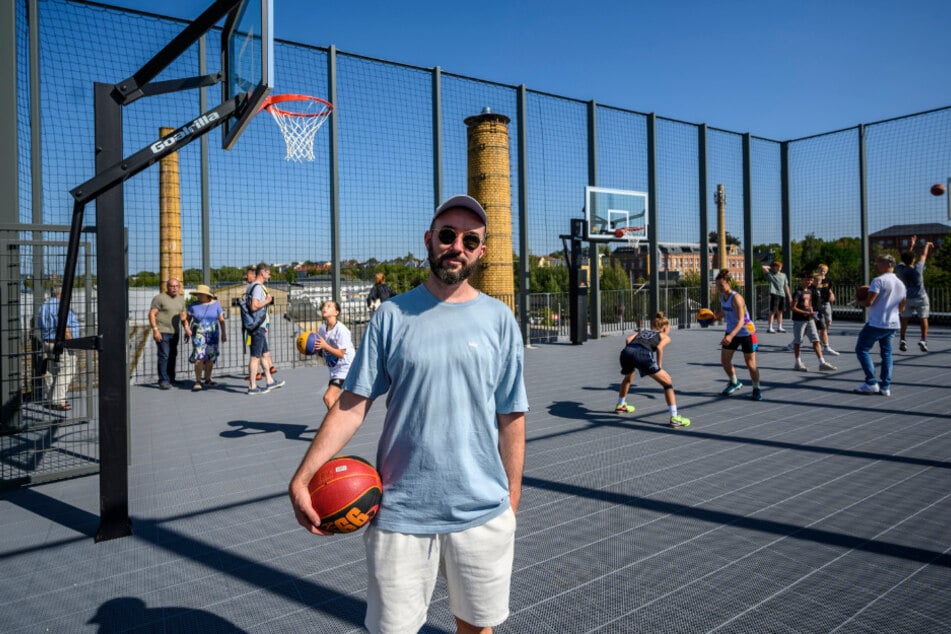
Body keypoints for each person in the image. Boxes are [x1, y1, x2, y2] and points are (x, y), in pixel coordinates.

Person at [289, 194, 528, 634]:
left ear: (481, 252)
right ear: (429, 240)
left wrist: (511, 499)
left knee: (477, 629)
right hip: (401, 513)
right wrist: (303, 477)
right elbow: (350, 405)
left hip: (481, 511)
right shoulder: (392, 316)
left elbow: (511, 415)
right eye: (447, 235)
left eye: (470, 240)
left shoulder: (499, 320)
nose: (457, 246)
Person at [615, 311, 691, 428]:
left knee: (628, 377)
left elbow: (628, 340)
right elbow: (660, 348)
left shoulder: (644, 331)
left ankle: (621, 405)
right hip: (642, 354)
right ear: (665, 327)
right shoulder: (664, 336)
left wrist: (632, 357)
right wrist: (659, 366)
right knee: (667, 382)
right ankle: (675, 418)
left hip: (627, 352)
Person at [854, 254, 906, 396]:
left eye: (878, 263)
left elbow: (869, 302)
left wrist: (859, 302)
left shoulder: (878, 281)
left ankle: (871, 383)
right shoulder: (900, 284)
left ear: (888, 264)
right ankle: (885, 387)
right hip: (894, 323)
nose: (875, 265)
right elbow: (902, 308)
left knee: (862, 349)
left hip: (877, 322)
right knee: (887, 354)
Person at [713, 268, 763, 401]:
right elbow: (725, 309)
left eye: (721, 285)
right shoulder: (723, 296)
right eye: (717, 286)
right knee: (725, 361)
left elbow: (741, 321)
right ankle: (735, 382)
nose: (719, 288)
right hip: (732, 331)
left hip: (746, 332)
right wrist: (716, 316)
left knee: (750, 364)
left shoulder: (737, 298)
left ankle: (756, 388)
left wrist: (730, 336)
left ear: (729, 283)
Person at [36, 286, 80, 411]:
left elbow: (38, 325)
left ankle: (50, 398)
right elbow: (65, 327)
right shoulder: (62, 307)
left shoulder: (43, 308)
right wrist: (72, 342)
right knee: (67, 370)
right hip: (62, 343)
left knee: (51, 370)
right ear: (62, 294)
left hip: (47, 343)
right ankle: (59, 400)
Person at [246, 262, 284, 395]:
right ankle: (252, 386)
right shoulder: (257, 287)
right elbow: (254, 306)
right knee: (255, 356)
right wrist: (267, 301)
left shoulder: (252, 286)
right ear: (262, 273)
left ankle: (269, 380)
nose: (270, 275)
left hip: (258, 325)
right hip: (257, 326)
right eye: (268, 272)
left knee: (263, 354)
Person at [182, 285, 227, 391]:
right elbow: (187, 320)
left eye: (200, 294)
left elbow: (221, 320)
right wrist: (186, 329)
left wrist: (224, 334)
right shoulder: (193, 306)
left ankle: (208, 379)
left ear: (206, 295)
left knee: (211, 357)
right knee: (199, 357)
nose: (198, 296)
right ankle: (197, 381)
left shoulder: (216, 305)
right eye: (197, 294)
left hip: (212, 334)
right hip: (198, 334)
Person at [790, 272, 837, 372]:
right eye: (807, 280)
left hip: (810, 319)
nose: (809, 282)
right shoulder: (798, 292)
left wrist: (812, 312)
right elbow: (793, 308)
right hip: (799, 320)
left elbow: (809, 303)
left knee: (816, 340)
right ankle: (797, 362)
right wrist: (805, 312)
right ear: (802, 280)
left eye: (811, 280)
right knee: (798, 341)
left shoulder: (810, 291)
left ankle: (822, 363)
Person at [314, 299, 355, 410]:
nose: (324, 308)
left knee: (328, 398)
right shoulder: (322, 328)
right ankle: (342, 422)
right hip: (334, 369)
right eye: (324, 306)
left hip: (346, 368)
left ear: (336, 312)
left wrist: (324, 346)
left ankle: (338, 426)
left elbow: (341, 354)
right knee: (334, 400)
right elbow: (320, 347)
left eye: (329, 306)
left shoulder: (342, 330)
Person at [897, 236, 933, 352]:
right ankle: (923, 339)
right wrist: (927, 245)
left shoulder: (900, 270)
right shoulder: (918, 268)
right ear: (913, 260)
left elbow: (907, 257)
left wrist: (911, 246)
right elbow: (924, 255)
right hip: (920, 297)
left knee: (904, 320)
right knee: (923, 318)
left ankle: (902, 339)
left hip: (906, 298)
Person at [148, 277, 186, 390]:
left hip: (175, 332)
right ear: (167, 287)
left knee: (173, 355)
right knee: (164, 355)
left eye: (176, 286)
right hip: (162, 331)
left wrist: (187, 329)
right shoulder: (159, 298)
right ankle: (163, 380)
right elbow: (151, 314)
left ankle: (171, 379)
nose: (174, 288)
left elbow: (183, 316)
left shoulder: (181, 299)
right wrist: (155, 330)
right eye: (172, 286)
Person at [813, 264, 839, 356]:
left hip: (826, 302)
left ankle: (823, 338)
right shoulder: (815, 280)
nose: (822, 272)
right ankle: (795, 343)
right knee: (810, 327)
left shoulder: (828, 280)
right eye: (821, 270)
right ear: (818, 270)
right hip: (817, 305)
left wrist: (832, 295)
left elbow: (829, 289)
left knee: (828, 321)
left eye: (824, 271)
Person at [762, 260, 792, 333]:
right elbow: (763, 267)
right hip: (774, 294)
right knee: (773, 311)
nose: (778, 268)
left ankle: (780, 326)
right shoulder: (771, 274)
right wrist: (771, 267)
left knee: (780, 311)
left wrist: (789, 296)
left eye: (779, 267)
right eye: (776, 267)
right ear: (774, 268)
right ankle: (770, 327)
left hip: (782, 294)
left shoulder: (783, 275)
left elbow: (786, 286)